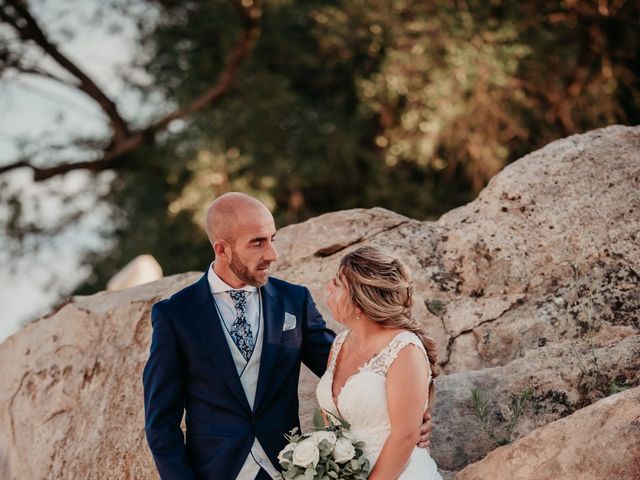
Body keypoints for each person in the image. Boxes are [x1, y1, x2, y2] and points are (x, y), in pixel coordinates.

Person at [143, 192, 432, 479]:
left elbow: (348, 370)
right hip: (216, 471)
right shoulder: (176, 315)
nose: (272, 254)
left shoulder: (294, 300)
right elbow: (161, 424)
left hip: (286, 469)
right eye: (257, 243)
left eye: (272, 239)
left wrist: (411, 414)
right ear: (222, 249)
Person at [316, 246, 442, 479]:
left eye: (337, 283)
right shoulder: (340, 343)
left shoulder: (405, 348)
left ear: (359, 301)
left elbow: (405, 436)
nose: (328, 288)